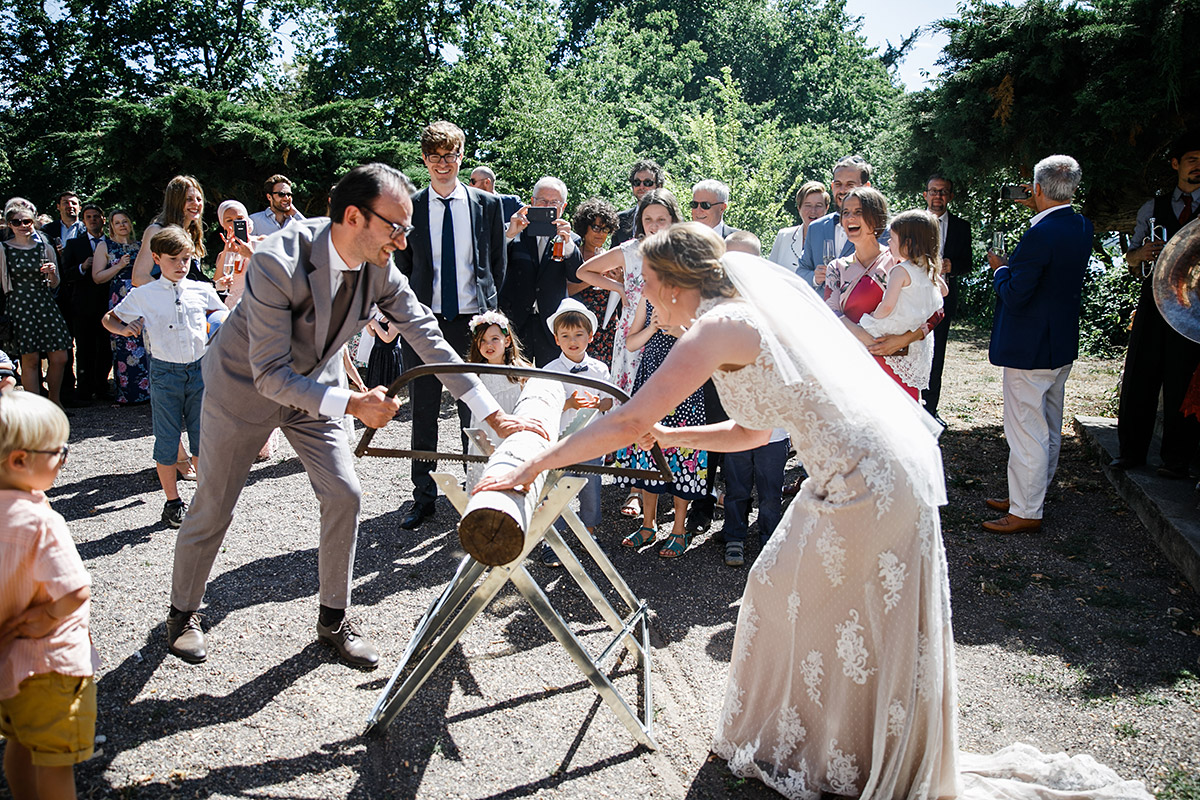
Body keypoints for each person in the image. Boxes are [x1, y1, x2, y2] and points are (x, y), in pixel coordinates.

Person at [475, 223, 1152, 800]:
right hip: (847, 472)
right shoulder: (737, 319)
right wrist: (679, 437)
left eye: (646, 283)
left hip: (870, 478)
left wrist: (539, 462)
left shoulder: (719, 326)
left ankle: (838, 753)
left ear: (675, 281)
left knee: (820, 605)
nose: (641, 296)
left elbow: (628, 419)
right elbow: (756, 429)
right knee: (783, 593)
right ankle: (820, 745)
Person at [163, 163, 544, 669]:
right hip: (244, 393)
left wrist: (493, 415)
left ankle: (333, 622)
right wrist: (355, 405)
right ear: (353, 216)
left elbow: (428, 337)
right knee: (214, 506)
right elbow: (271, 376)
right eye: (397, 227)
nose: (403, 241)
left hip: (316, 389)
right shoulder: (278, 261)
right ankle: (182, 613)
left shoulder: (381, 266)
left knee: (345, 494)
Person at [394, 121, 508, 531]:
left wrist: (490, 316)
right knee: (422, 411)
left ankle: (475, 489)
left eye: (451, 155)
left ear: (462, 156)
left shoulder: (487, 205)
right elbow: (401, 267)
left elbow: (496, 264)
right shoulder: (410, 206)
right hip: (424, 322)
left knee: (473, 408)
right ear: (425, 159)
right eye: (435, 156)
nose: (443, 164)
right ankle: (422, 496)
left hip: (472, 322)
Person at [983, 155, 1093, 534]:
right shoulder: (1081, 225)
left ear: (1038, 188)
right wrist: (1041, 204)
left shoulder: (1039, 234)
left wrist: (999, 268)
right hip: (1059, 341)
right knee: (1048, 422)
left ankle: (1026, 510)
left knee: (1026, 429)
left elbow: (1015, 294)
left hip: (1030, 347)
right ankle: (1030, 494)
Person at [0, 391, 99, 800]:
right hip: (50, 664)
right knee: (56, 763)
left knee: (20, 742)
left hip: (8, 664)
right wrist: (42, 618)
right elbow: (75, 590)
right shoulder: (41, 521)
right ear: (20, 460)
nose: (63, 459)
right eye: (59, 452)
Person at [104, 226, 226, 528]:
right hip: (165, 373)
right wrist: (123, 329)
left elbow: (222, 316)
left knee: (203, 439)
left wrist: (219, 326)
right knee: (167, 439)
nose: (181, 265)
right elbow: (110, 318)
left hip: (200, 372)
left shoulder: (201, 289)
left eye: (186, 258)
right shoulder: (144, 294)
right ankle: (172, 502)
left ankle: (205, 502)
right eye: (174, 259)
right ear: (157, 259)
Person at [576, 189, 682, 520]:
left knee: (670, 404)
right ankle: (637, 488)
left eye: (661, 219)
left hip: (671, 334)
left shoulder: (682, 250)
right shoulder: (630, 250)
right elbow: (584, 273)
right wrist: (620, 289)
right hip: (633, 338)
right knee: (635, 402)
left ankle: (672, 478)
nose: (654, 225)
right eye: (648, 219)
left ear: (672, 220)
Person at [1111, 133, 1200, 479]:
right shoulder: (1152, 208)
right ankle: (1131, 452)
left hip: (1193, 311)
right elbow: (1130, 257)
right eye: (1192, 160)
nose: (1198, 167)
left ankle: (1176, 460)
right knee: (1140, 378)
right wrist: (1141, 253)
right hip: (1154, 303)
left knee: (1182, 381)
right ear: (1176, 164)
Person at [825, 188, 943, 399]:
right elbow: (830, 312)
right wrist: (868, 340)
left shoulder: (901, 259)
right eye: (845, 212)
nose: (850, 217)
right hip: (852, 361)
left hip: (896, 362)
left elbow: (937, 309)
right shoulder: (837, 268)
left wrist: (904, 340)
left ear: (876, 218)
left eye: (858, 211)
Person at [619, 291, 708, 558]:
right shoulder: (648, 299)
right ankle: (648, 525)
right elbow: (631, 343)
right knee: (649, 454)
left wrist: (679, 330)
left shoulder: (697, 298)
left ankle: (679, 530)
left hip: (685, 390)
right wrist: (654, 328)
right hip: (651, 386)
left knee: (683, 455)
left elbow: (708, 346)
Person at [720, 230, 789, 568]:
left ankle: (769, 541)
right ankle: (733, 535)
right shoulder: (719, 305)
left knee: (770, 488)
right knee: (735, 484)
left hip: (773, 422)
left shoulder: (777, 304)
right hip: (738, 415)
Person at [541, 298, 613, 566]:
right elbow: (545, 405)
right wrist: (569, 403)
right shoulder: (550, 371)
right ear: (557, 339)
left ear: (590, 337)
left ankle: (589, 534)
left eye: (579, 335)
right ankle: (553, 540)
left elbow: (609, 400)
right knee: (556, 489)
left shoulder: (598, 369)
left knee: (590, 487)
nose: (573, 340)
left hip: (590, 441)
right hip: (560, 442)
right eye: (566, 336)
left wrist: (598, 403)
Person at [500, 176, 585, 365]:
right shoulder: (512, 231)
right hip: (516, 320)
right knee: (516, 379)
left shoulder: (571, 238)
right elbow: (493, 265)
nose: (547, 206)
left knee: (552, 381)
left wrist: (568, 244)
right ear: (531, 202)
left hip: (552, 323)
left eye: (554, 203)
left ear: (562, 207)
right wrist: (509, 235)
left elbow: (576, 276)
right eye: (542, 201)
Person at [0, 198, 70, 406]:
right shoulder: (4, 249)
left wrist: (52, 273)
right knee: (29, 360)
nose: (22, 226)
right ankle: (37, 408)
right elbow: (3, 284)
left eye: (26, 221)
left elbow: (55, 283)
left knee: (60, 356)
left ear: (34, 222)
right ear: (9, 225)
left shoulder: (44, 245)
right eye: (16, 222)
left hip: (45, 303)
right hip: (20, 305)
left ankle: (55, 403)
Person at [922, 174, 974, 422]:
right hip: (912, 297)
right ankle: (910, 405)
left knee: (936, 354)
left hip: (943, 299)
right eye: (933, 191)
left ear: (950, 196)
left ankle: (930, 411)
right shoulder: (912, 222)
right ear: (925, 195)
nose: (938, 196)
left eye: (943, 192)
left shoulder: (962, 227)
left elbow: (968, 263)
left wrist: (953, 266)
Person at [463, 310, 530, 491]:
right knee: (484, 465)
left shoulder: (520, 372)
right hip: (485, 430)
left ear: (506, 341)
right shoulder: (475, 373)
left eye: (494, 339)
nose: (488, 345)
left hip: (511, 429)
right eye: (482, 341)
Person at [92, 209, 150, 404]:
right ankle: (128, 393)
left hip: (141, 295)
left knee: (144, 340)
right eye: (117, 223)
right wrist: (117, 266)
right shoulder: (105, 245)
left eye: (125, 221)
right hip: (120, 296)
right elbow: (97, 277)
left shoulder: (140, 245)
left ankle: (148, 391)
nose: (122, 225)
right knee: (124, 342)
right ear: (111, 226)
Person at [798, 154, 879, 288]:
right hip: (822, 307)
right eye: (838, 184)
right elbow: (801, 272)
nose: (842, 190)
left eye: (850, 185)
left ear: (867, 187)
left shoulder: (880, 230)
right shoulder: (816, 228)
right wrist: (814, 278)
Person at [59, 204, 113, 402]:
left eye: (96, 216)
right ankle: (84, 388)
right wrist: (82, 267)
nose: (92, 220)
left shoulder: (111, 243)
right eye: (88, 217)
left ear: (103, 220)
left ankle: (102, 385)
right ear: (83, 221)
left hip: (107, 302)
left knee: (106, 347)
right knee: (84, 347)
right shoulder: (75, 244)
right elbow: (65, 274)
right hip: (83, 304)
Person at [567, 198, 620, 366]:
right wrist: (594, 276)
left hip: (607, 328)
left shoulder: (612, 256)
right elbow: (566, 290)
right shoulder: (572, 255)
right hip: (577, 328)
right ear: (584, 227)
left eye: (605, 229)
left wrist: (618, 279)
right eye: (596, 227)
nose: (600, 233)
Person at [131, 176, 210, 287]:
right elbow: (139, 277)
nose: (196, 204)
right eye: (189, 199)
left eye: (199, 199)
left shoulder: (192, 233)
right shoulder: (156, 231)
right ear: (176, 202)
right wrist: (170, 293)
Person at [767, 181, 829, 273]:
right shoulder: (784, 236)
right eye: (808, 205)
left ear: (826, 208)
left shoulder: (832, 240)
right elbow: (769, 272)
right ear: (799, 208)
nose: (813, 211)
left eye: (818, 206)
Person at [612, 159, 665, 246]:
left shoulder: (670, 219)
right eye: (637, 182)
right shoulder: (620, 219)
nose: (641, 186)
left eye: (647, 182)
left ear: (659, 186)